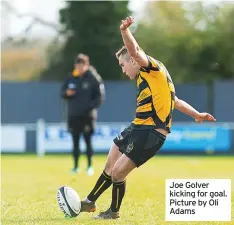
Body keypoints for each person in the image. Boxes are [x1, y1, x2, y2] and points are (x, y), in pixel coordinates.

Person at [77, 16, 216, 219]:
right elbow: (174, 101)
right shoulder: (148, 78)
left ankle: (113, 212)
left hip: (151, 133)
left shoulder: (153, 69)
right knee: (111, 162)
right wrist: (197, 114)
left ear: (134, 61)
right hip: (137, 128)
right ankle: (90, 202)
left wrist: (124, 31)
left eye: (123, 65)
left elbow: (135, 51)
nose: (123, 70)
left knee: (118, 172)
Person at [61, 53, 105, 176]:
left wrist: (89, 107)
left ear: (87, 65)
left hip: (88, 116)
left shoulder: (93, 78)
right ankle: (75, 167)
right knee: (75, 142)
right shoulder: (71, 78)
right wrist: (66, 93)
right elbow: (62, 93)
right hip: (73, 115)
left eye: (82, 66)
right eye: (78, 66)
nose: (79, 68)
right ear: (75, 66)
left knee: (88, 141)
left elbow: (100, 97)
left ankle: (90, 166)